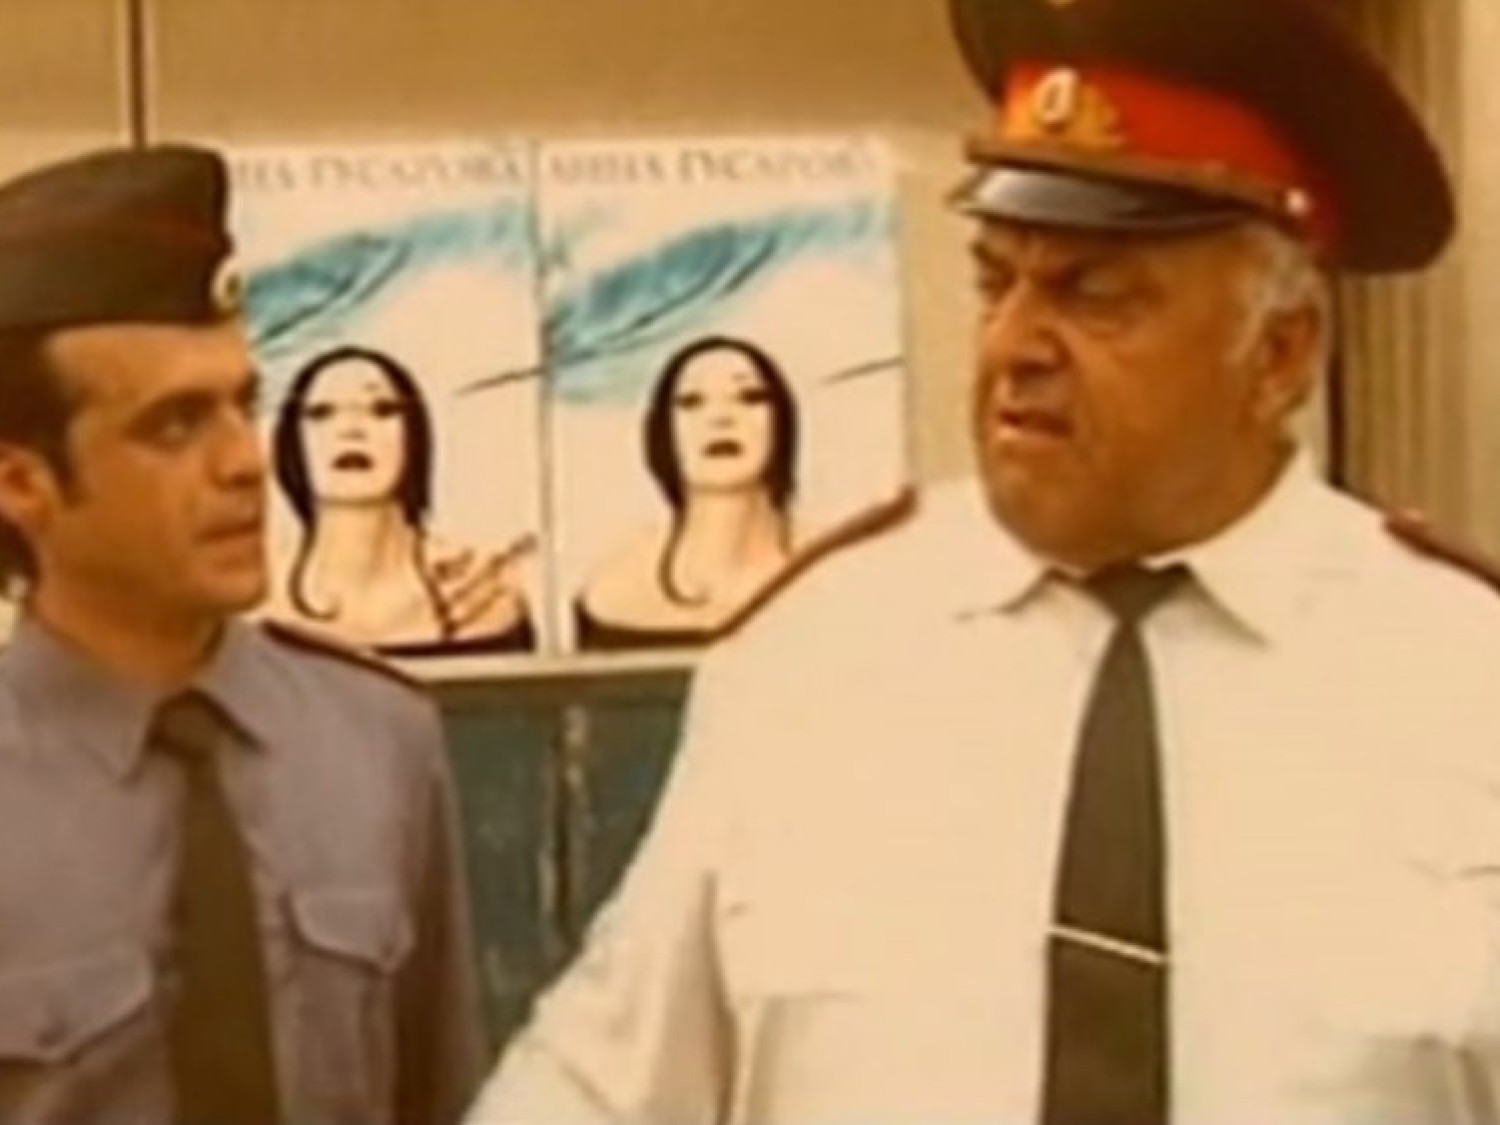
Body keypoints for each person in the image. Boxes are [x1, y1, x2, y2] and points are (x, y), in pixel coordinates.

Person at [464, 0, 1500, 1121]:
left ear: (1281, 354)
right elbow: (599, 1088)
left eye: (1095, 298)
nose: (1013, 347)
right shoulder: (814, 658)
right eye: (996, 281)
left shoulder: (1460, 679)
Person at [0, 144, 483, 1125]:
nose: (246, 463)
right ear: (22, 483)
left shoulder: (377, 741)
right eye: (174, 426)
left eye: (243, 404)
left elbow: (444, 1094)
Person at [270, 343, 536, 657]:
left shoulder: (477, 591)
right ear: (291, 442)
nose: (351, 430)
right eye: (321, 413)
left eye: (382, 410)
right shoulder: (249, 600)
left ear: (414, 435)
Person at [573, 335, 798, 651]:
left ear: (783, 423)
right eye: (691, 402)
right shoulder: (614, 585)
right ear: (663, 432)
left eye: (750, 397)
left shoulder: (833, 568)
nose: (721, 418)